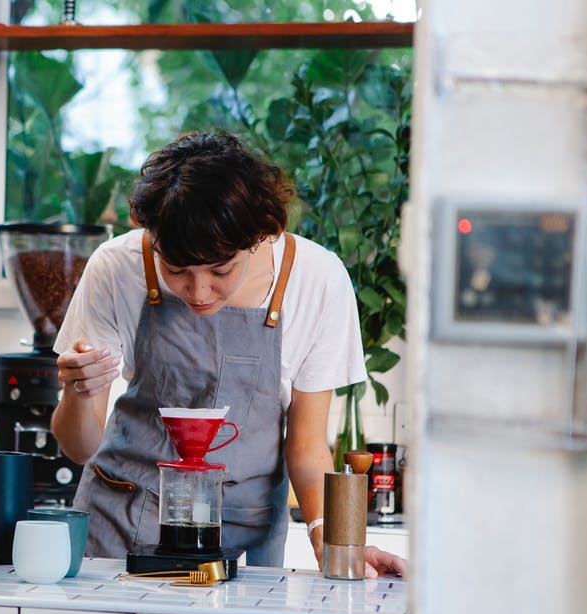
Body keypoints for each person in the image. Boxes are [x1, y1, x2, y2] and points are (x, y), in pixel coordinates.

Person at [51, 131, 405, 577]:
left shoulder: (317, 279)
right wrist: (80, 391)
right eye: (176, 271)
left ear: (261, 234)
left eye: (221, 270)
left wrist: (327, 533)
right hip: (120, 531)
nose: (199, 293)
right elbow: (79, 447)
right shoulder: (115, 267)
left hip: (247, 541)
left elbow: (307, 445)